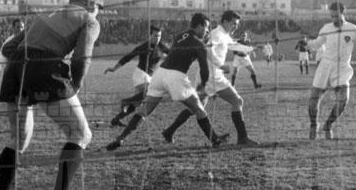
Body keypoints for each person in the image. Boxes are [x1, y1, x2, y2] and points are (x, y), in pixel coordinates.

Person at [0, 0, 103, 190]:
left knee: (18, 139)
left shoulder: (45, 15)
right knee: (81, 134)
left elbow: (8, 48)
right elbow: (82, 57)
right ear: (92, 4)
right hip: (43, 67)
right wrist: (76, 85)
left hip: (15, 68)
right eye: (99, 7)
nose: (98, 12)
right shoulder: (89, 19)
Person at [105, 13, 228, 152]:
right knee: (199, 109)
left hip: (159, 74)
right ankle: (215, 140)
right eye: (206, 27)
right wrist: (203, 85)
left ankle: (120, 138)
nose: (207, 31)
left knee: (144, 110)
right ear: (199, 26)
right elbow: (204, 69)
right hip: (176, 77)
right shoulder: (199, 44)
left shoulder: (179, 36)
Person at [161, 10, 258, 146]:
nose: (236, 27)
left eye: (237, 24)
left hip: (207, 76)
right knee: (237, 101)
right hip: (213, 77)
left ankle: (169, 131)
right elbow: (207, 49)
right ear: (225, 21)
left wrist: (254, 48)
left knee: (196, 107)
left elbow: (234, 46)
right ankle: (242, 138)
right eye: (234, 23)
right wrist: (220, 65)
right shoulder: (217, 34)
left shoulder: (224, 35)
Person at [307, 2, 356, 140]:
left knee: (343, 100)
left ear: (343, 13)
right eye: (332, 16)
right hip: (324, 67)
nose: (334, 19)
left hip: (342, 69)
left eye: (336, 16)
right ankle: (314, 125)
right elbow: (317, 44)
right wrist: (307, 44)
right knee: (314, 99)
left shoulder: (354, 30)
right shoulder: (326, 28)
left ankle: (328, 125)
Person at [104, 26, 169, 127]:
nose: (157, 38)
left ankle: (116, 119)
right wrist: (114, 68)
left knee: (137, 104)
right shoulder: (144, 47)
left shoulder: (161, 46)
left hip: (149, 77)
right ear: (150, 35)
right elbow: (128, 57)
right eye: (155, 35)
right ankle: (126, 101)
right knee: (151, 90)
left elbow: (172, 52)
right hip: (140, 75)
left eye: (159, 36)